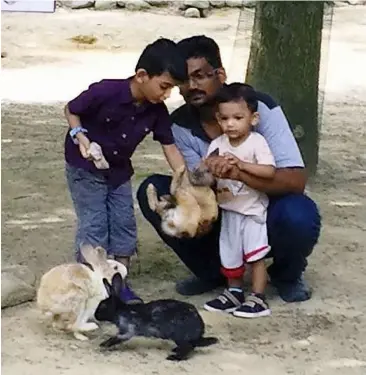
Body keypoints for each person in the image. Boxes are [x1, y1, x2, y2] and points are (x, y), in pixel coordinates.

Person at [137, 35, 321, 303]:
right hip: (219, 209)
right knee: (152, 191)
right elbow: (195, 184)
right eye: (184, 80)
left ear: (220, 74)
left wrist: (239, 173)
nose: (192, 86)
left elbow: (295, 180)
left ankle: (287, 274)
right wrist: (200, 186)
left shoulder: (260, 107)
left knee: (298, 214)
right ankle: (212, 272)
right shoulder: (180, 124)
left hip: (264, 208)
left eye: (200, 76)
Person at [64, 38, 186, 304]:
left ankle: (119, 285)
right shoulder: (105, 91)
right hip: (85, 168)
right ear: (142, 75)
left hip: (118, 172)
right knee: (95, 225)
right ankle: (92, 286)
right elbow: (72, 109)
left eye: (171, 90)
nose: (166, 95)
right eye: (164, 87)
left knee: (124, 225)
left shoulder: (157, 111)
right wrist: (81, 137)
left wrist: (182, 176)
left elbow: (169, 144)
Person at [203, 83, 275, 317]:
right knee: (230, 252)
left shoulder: (256, 142)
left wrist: (241, 165)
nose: (230, 124)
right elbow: (209, 173)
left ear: (253, 118)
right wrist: (212, 169)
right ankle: (234, 292)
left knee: (255, 255)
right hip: (229, 209)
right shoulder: (217, 145)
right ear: (218, 119)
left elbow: (269, 171)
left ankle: (258, 297)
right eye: (224, 118)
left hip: (252, 210)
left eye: (237, 117)